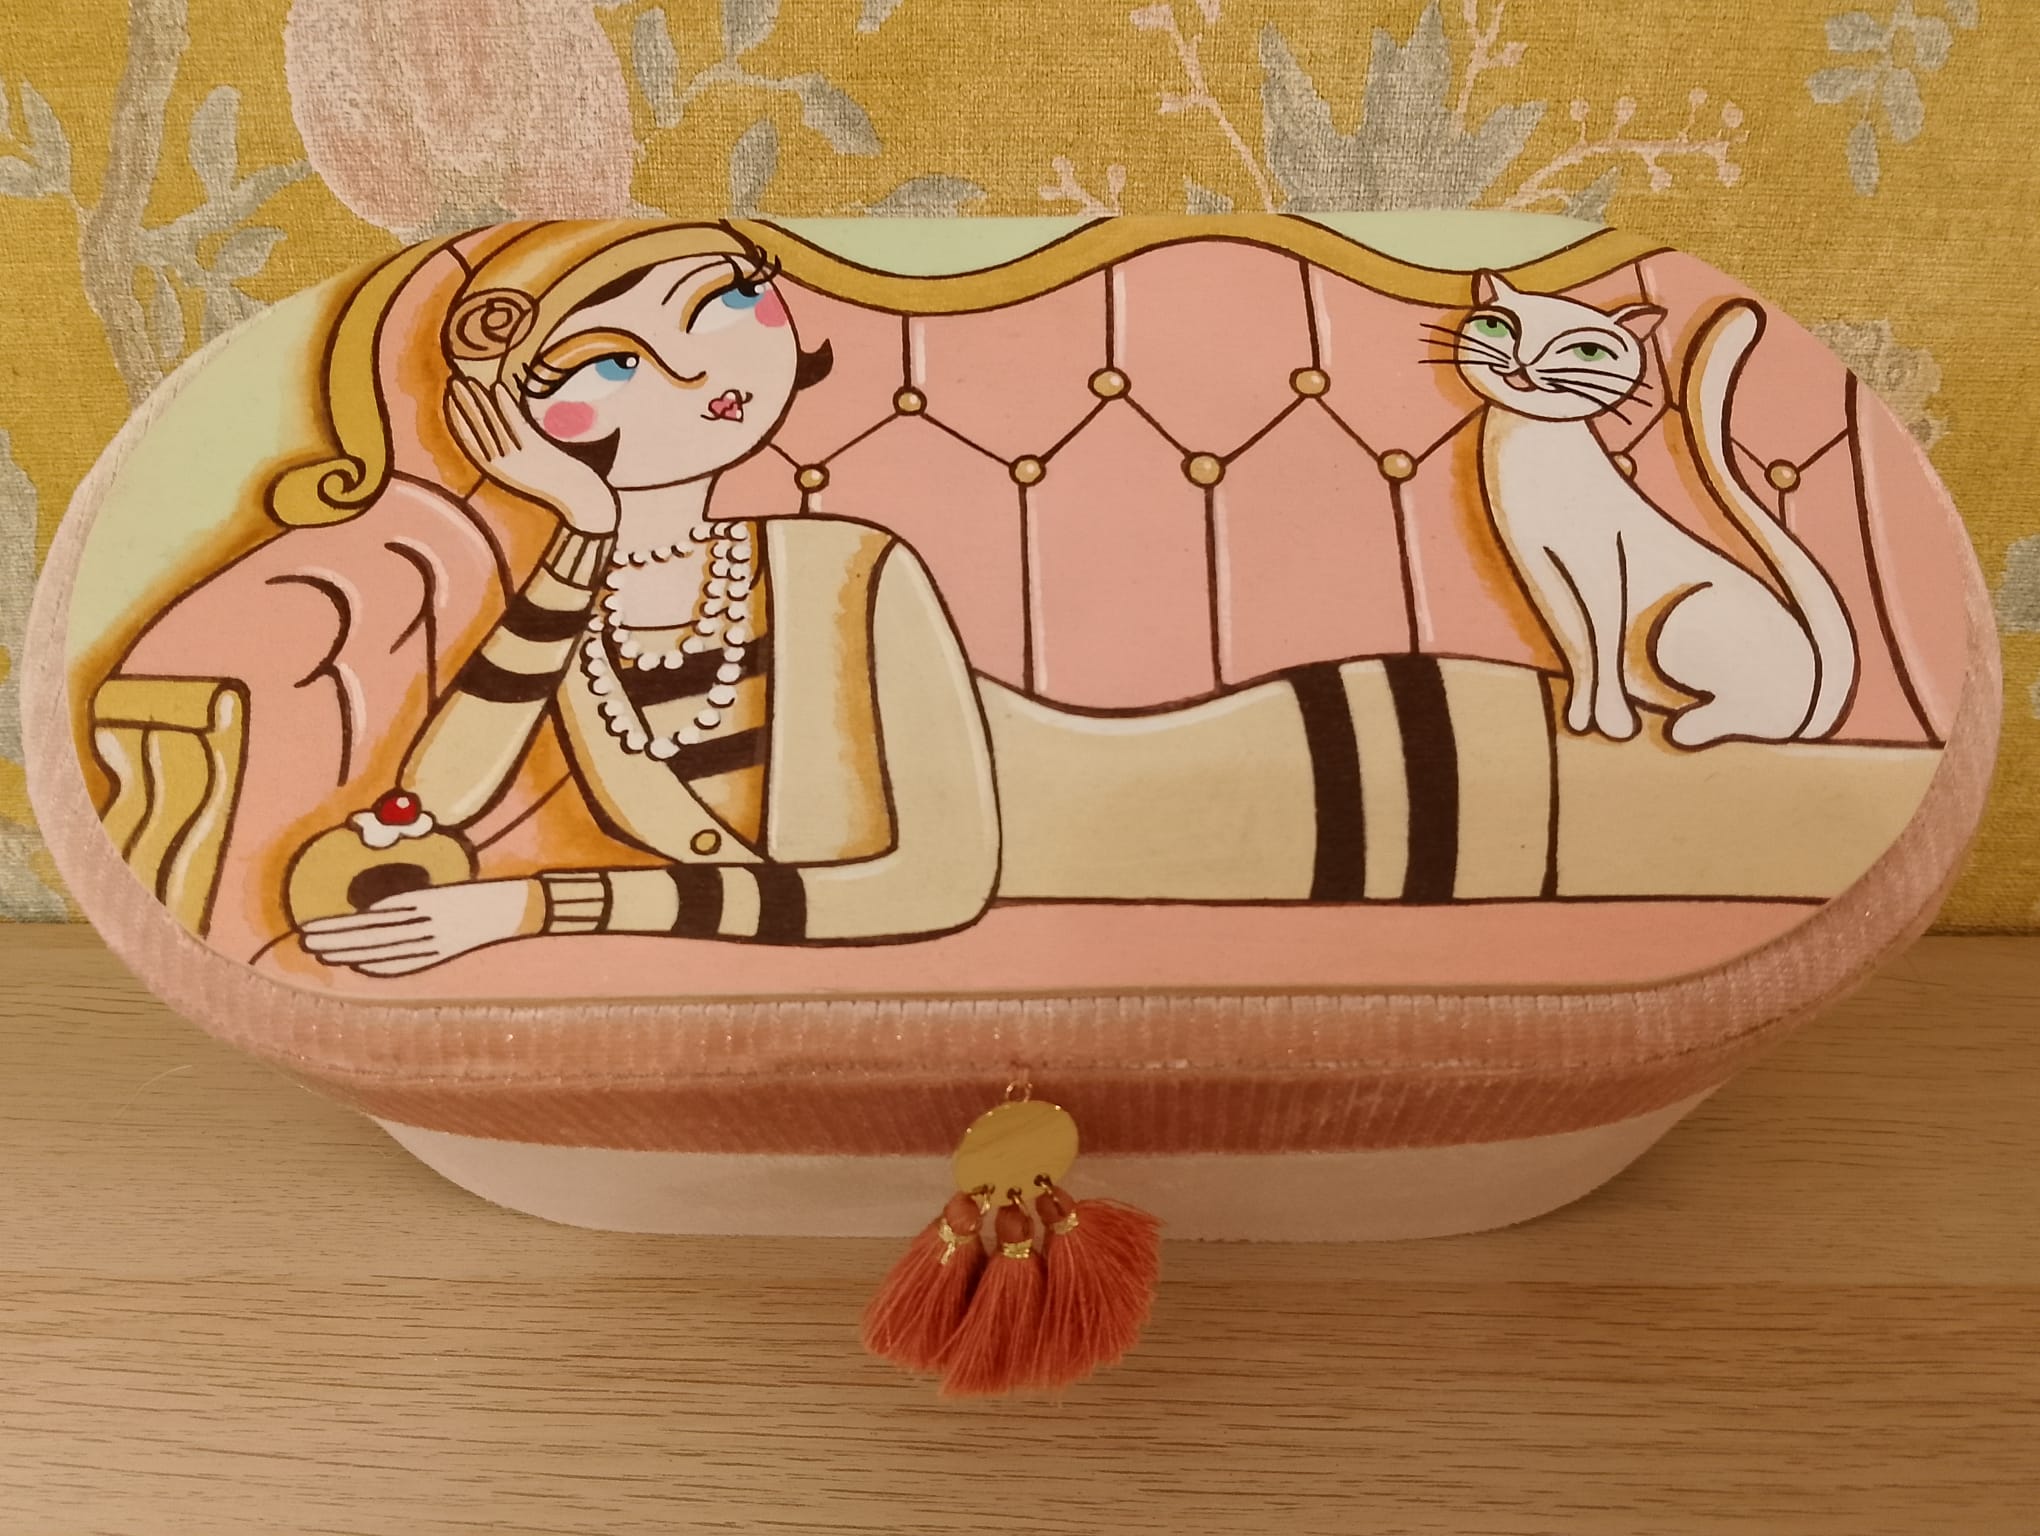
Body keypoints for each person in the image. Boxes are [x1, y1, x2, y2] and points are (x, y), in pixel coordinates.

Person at [288, 220, 1937, 977]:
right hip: (1348, 809)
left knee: (1827, 812)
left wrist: (542, 913)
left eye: (725, 304)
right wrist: (575, 528)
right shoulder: (584, 604)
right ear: (524, 420)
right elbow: (431, 801)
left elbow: (926, 890)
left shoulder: (840, 567)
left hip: (1370, 786)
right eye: (615, 360)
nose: (705, 365)